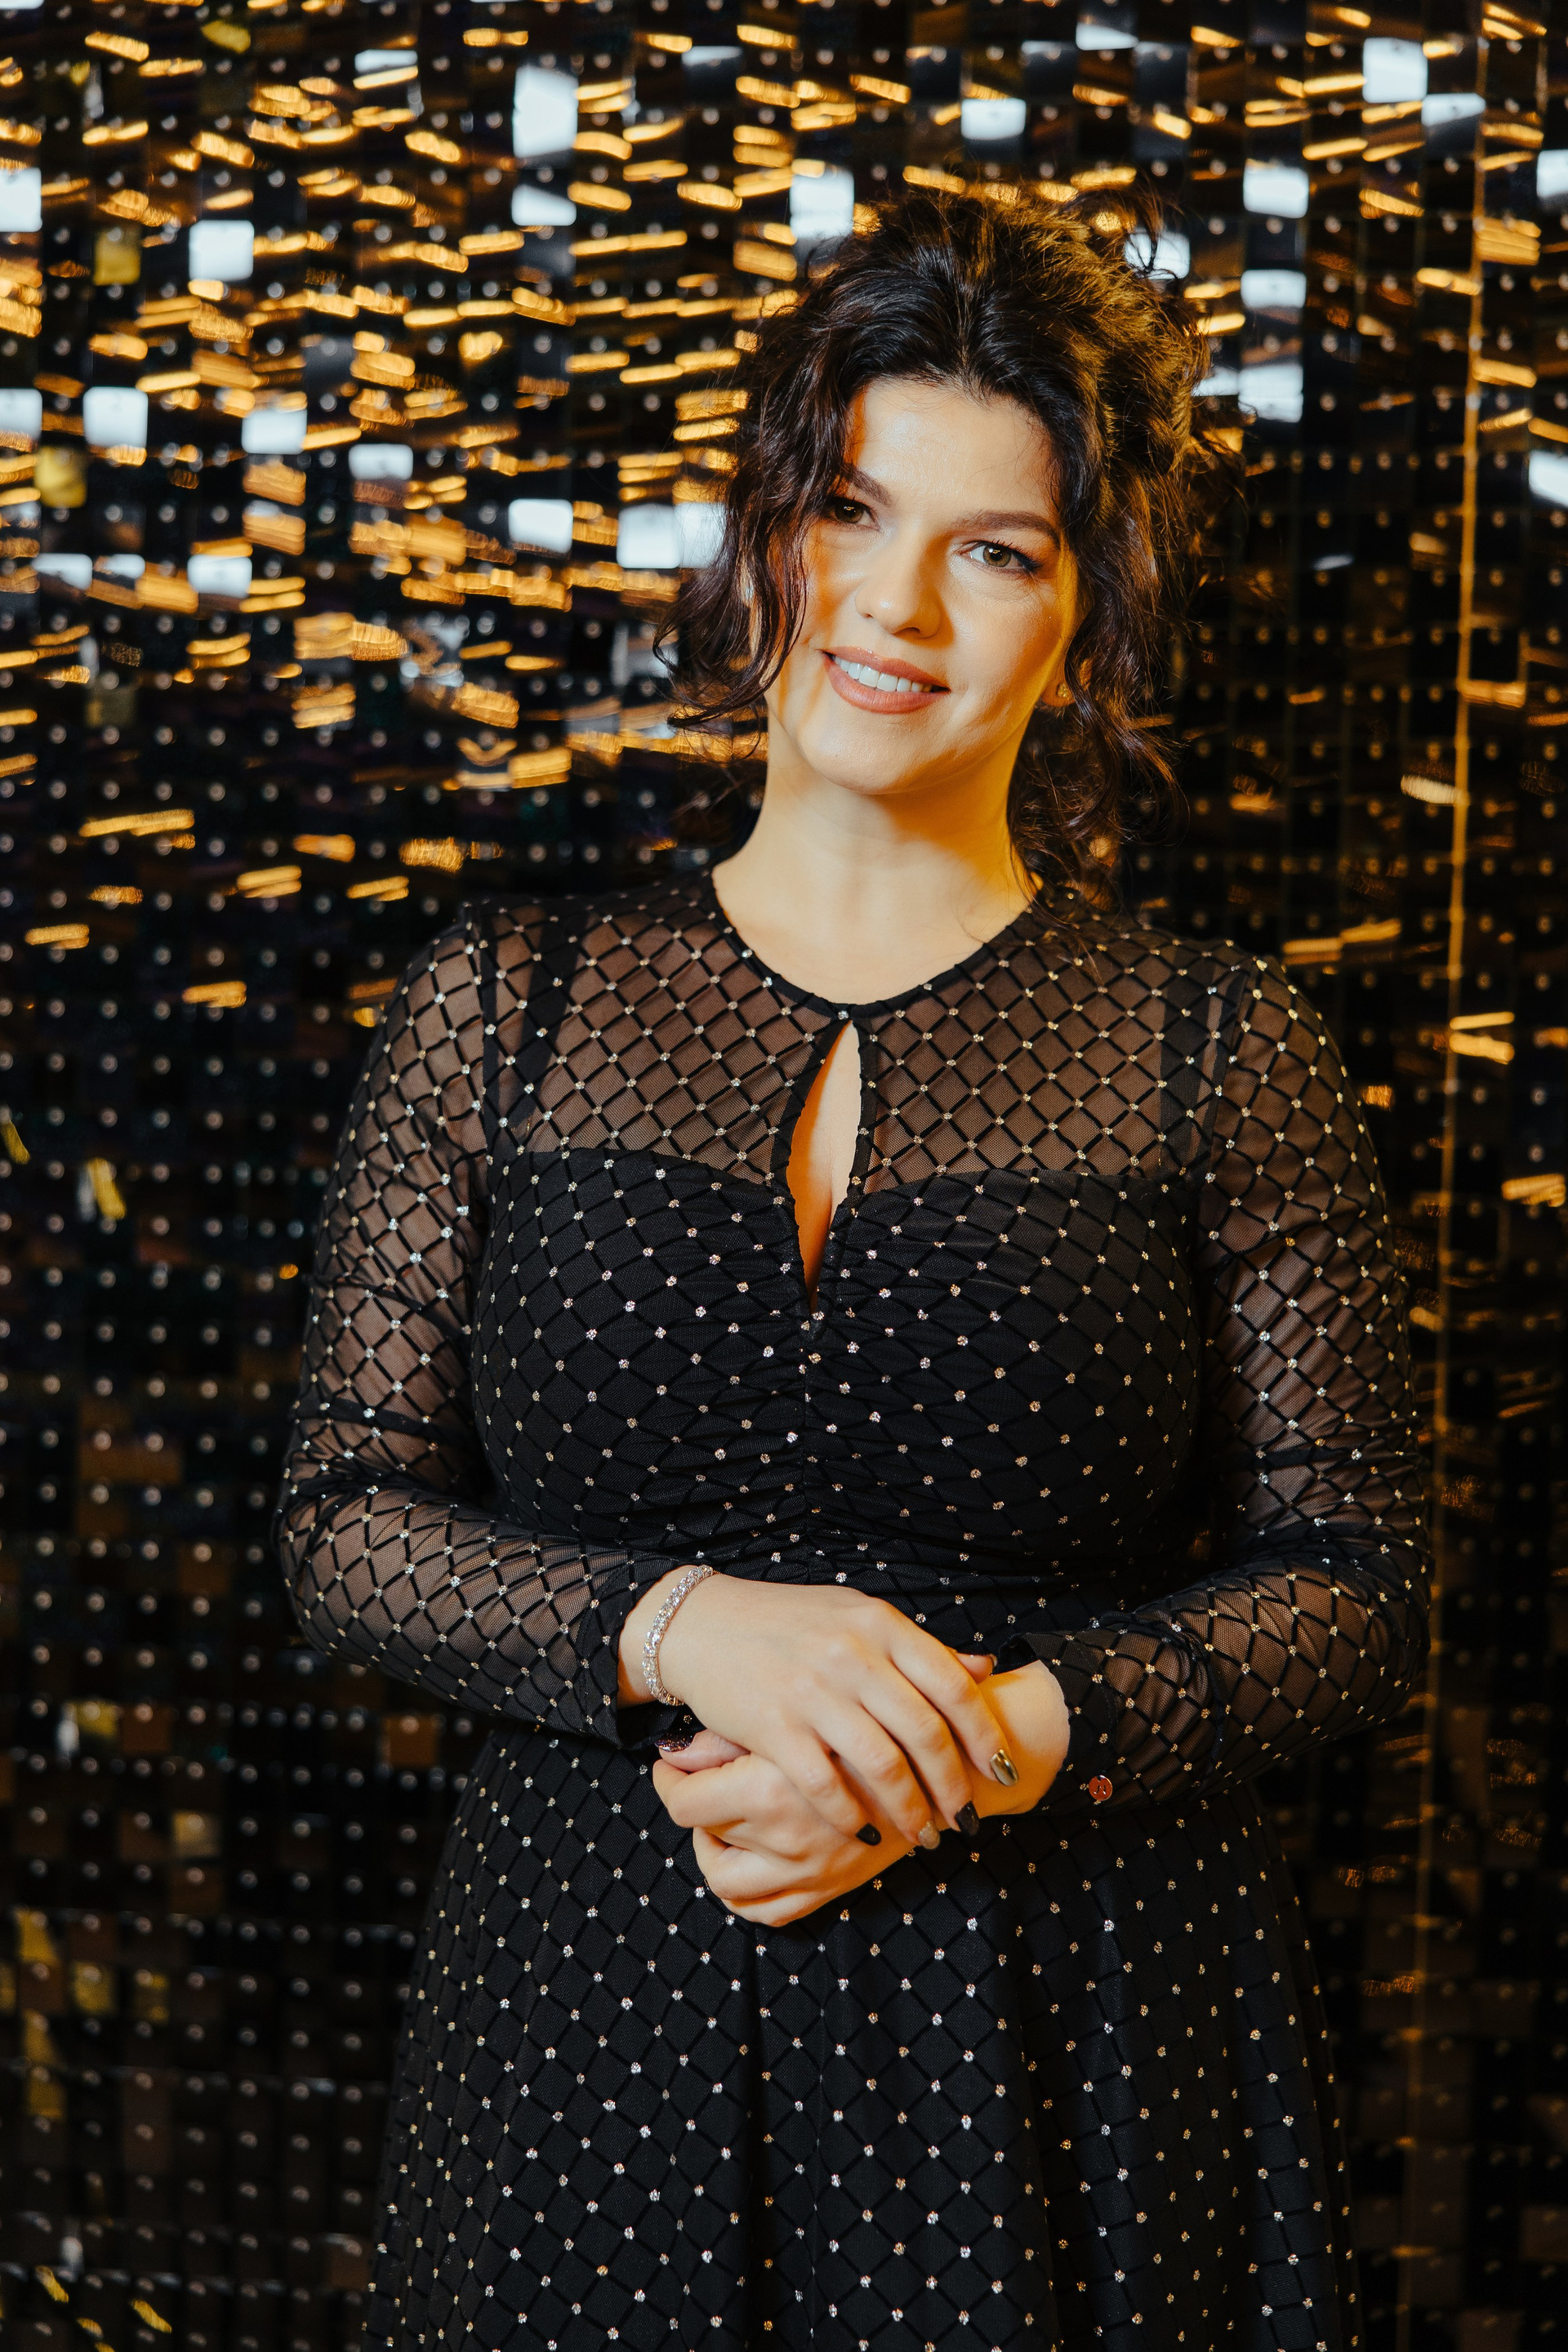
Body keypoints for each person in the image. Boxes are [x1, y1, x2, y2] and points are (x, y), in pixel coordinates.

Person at [277, 189, 1430, 2352]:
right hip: (580, 2034)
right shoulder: (506, 1005)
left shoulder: (1214, 1046)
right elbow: (343, 1526)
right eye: (851, 510)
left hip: (1063, 2032)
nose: (894, 606)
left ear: (1082, 617)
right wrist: (684, 1623)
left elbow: (1363, 1582)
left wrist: (987, 1739)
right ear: (765, 532)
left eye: (995, 551)